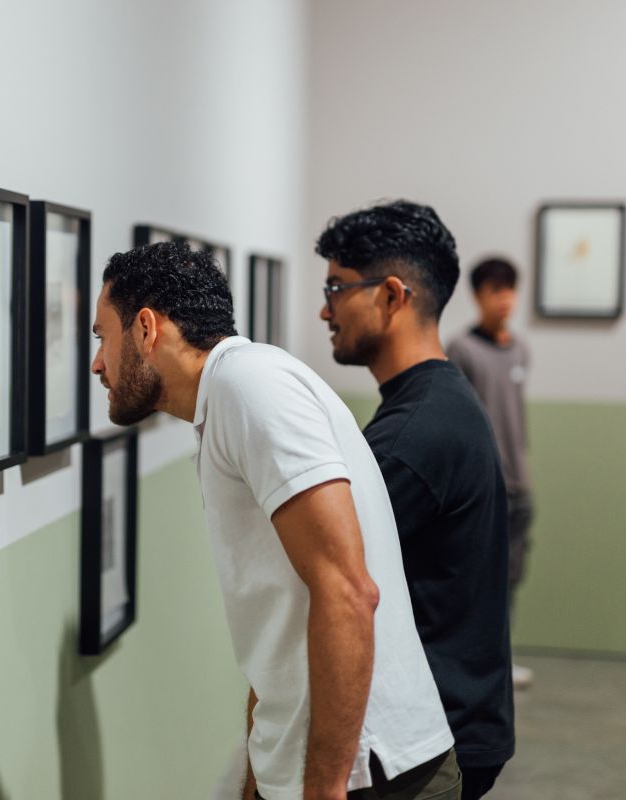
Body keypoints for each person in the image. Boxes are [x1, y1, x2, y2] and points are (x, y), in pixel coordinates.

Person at [91, 241, 460, 800]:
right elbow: (278, 620)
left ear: (145, 328)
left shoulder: (250, 389)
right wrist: (259, 774)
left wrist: (323, 787)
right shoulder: (230, 397)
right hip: (327, 768)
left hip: (369, 773)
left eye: (102, 336)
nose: (98, 362)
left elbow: (347, 590)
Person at [315, 201, 514, 800]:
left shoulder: (412, 435)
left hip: (431, 741)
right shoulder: (436, 402)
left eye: (337, 287)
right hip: (460, 717)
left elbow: (330, 585)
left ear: (392, 295)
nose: (325, 309)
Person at [445, 257, 535, 691]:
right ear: (478, 296)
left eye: (510, 290)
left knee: (511, 575)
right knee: (479, 576)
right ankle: (477, 662)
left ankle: (503, 657)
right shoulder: (462, 350)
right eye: (496, 290)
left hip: (521, 483)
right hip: (485, 485)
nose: (505, 300)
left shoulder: (520, 350)